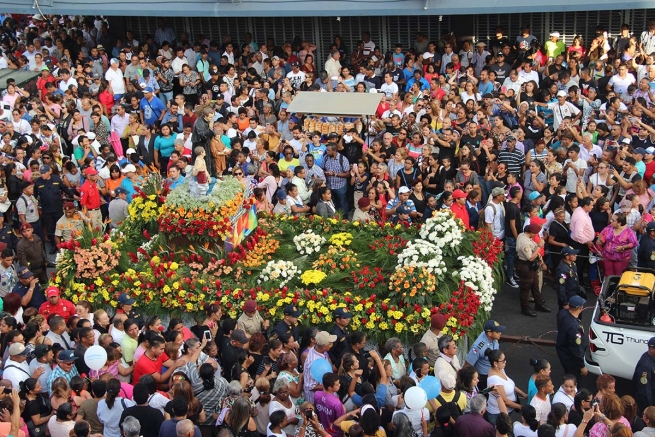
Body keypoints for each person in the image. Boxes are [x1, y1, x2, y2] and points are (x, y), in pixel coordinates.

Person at [465, 320, 504, 389]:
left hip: (495, 371)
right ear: (489, 334)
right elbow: (467, 365)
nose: (500, 333)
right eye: (497, 332)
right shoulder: (478, 347)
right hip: (484, 377)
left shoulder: (493, 338)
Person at [556, 295, 588, 378]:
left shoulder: (562, 313)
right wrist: (582, 366)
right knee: (575, 379)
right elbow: (576, 349)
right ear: (580, 308)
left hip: (562, 351)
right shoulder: (574, 328)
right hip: (571, 359)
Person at [633, 336, 655, 413]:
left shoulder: (652, 357)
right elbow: (645, 392)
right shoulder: (645, 366)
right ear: (652, 349)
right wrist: (650, 408)